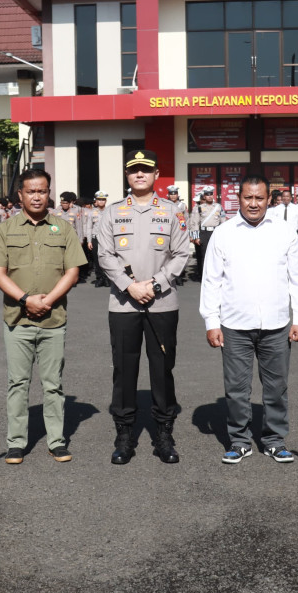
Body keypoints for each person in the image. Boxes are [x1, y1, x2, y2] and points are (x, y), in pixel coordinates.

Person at [201, 174, 298, 464]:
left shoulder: (284, 232)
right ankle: (239, 440)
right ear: (239, 198)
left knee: (277, 387)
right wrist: (211, 321)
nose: (253, 204)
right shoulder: (223, 233)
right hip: (234, 325)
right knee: (236, 389)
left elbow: (297, 278)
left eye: (259, 198)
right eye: (248, 197)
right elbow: (211, 281)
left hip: (276, 325)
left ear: (268, 199)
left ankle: (274, 439)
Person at [96, 150, 193, 465]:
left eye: (145, 170)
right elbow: (105, 255)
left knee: (162, 369)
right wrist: (129, 286)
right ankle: (124, 435)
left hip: (162, 303)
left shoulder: (172, 212)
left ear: (156, 175)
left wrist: (156, 284)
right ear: (127, 175)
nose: (139, 175)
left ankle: (164, 433)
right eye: (134, 170)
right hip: (123, 304)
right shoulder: (112, 212)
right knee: (124, 370)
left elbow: (182, 253)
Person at [0, 170, 87, 464]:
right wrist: (25, 299)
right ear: (20, 195)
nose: (36, 196)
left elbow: (73, 271)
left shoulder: (63, 228)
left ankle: (56, 441)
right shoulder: (5, 230)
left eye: (42, 191)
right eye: (31, 191)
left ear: (49, 193)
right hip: (17, 320)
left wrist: (48, 300)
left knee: (52, 383)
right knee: (18, 382)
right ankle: (16, 442)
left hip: (54, 320)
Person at [189, 186, 225, 281]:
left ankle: (216, 276)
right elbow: (195, 223)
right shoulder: (200, 208)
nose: (209, 196)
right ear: (204, 196)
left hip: (215, 232)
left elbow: (223, 221)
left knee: (217, 255)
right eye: (207, 195)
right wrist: (196, 237)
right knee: (204, 256)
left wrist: (223, 235)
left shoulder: (218, 207)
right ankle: (205, 277)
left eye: (211, 194)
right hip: (204, 233)